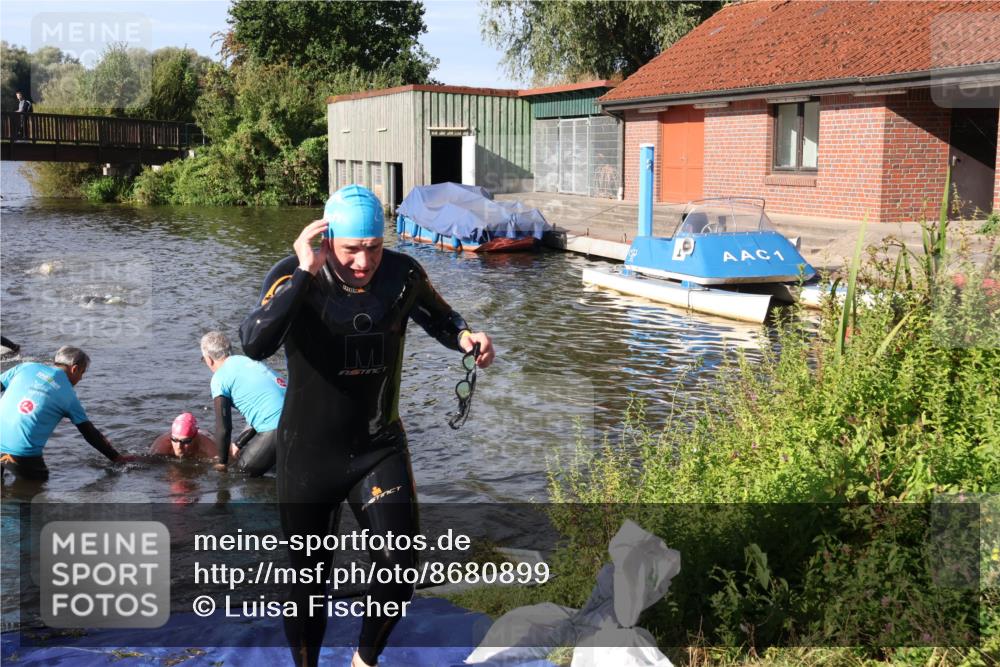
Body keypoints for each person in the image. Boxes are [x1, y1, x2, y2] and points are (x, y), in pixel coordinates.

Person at [239, 184, 494, 667]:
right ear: (327, 237)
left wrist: (466, 337)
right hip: (308, 454)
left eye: (373, 248)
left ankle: (363, 661)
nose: (363, 262)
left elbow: (442, 319)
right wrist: (301, 273)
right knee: (307, 580)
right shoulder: (294, 275)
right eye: (351, 249)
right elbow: (254, 342)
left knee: (399, 567)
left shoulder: (402, 275)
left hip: (378, 445)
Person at [0, 346, 131, 481]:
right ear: (74, 369)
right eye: (82, 373)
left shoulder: (25, 367)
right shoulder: (69, 396)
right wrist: (117, 458)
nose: (81, 379)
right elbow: (90, 434)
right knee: (35, 493)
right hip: (22, 453)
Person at [200, 331, 285, 477]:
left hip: (277, 426)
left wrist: (222, 462)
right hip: (299, 413)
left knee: (240, 474)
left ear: (209, 359)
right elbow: (265, 408)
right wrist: (238, 444)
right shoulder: (248, 361)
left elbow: (223, 428)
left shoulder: (219, 378)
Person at [149, 412, 225, 460]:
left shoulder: (207, 446)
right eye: (174, 440)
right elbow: (149, 462)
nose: (179, 446)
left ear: (195, 437)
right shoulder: (162, 445)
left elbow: (223, 464)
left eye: (185, 441)